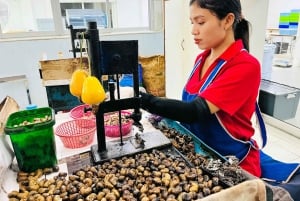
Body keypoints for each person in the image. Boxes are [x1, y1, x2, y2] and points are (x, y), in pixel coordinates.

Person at [141, 0, 262, 177]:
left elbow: (194, 111)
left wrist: (142, 100)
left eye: (201, 22)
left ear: (227, 21)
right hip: (199, 156)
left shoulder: (245, 66)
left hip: (231, 165)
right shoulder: (201, 58)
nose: (193, 30)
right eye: (192, 22)